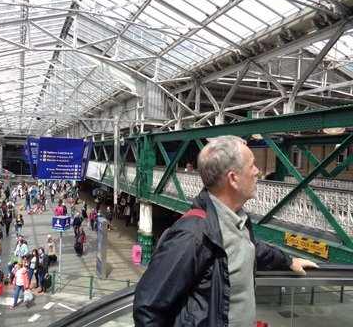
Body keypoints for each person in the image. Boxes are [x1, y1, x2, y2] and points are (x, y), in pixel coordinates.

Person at [133, 135, 318, 327]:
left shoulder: (236, 220)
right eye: (252, 165)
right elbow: (148, 307)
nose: (257, 172)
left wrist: (288, 260)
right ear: (233, 178)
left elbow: (250, 248)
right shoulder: (192, 236)